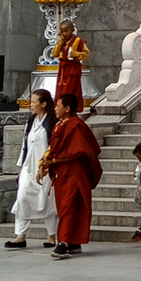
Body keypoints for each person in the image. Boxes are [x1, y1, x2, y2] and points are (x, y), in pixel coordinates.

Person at [39, 93, 102, 260]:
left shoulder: (76, 126)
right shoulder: (59, 125)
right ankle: (74, 242)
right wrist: (45, 163)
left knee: (69, 206)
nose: (55, 109)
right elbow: (53, 148)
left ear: (67, 109)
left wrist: (53, 161)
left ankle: (64, 242)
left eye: (58, 106)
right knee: (65, 207)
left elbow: (79, 152)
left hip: (74, 172)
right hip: (61, 172)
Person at [5, 89, 57, 250]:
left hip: (46, 169)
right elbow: (24, 145)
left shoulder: (52, 123)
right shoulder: (31, 121)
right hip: (29, 167)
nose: (31, 104)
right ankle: (20, 236)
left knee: (48, 202)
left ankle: (51, 236)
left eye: (34, 101)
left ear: (43, 104)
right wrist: (21, 166)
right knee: (22, 198)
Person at [52, 20, 89, 113]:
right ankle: (60, 108)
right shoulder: (62, 41)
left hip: (73, 68)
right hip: (63, 69)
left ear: (72, 30)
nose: (64, 33)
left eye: (66, 31)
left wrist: (75, 54)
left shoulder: (78, 41)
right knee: (60, 89)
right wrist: (60, 43)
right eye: (62, 31)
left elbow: (86, 53)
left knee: (69, 89)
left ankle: (69, 108)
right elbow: (54, 53)